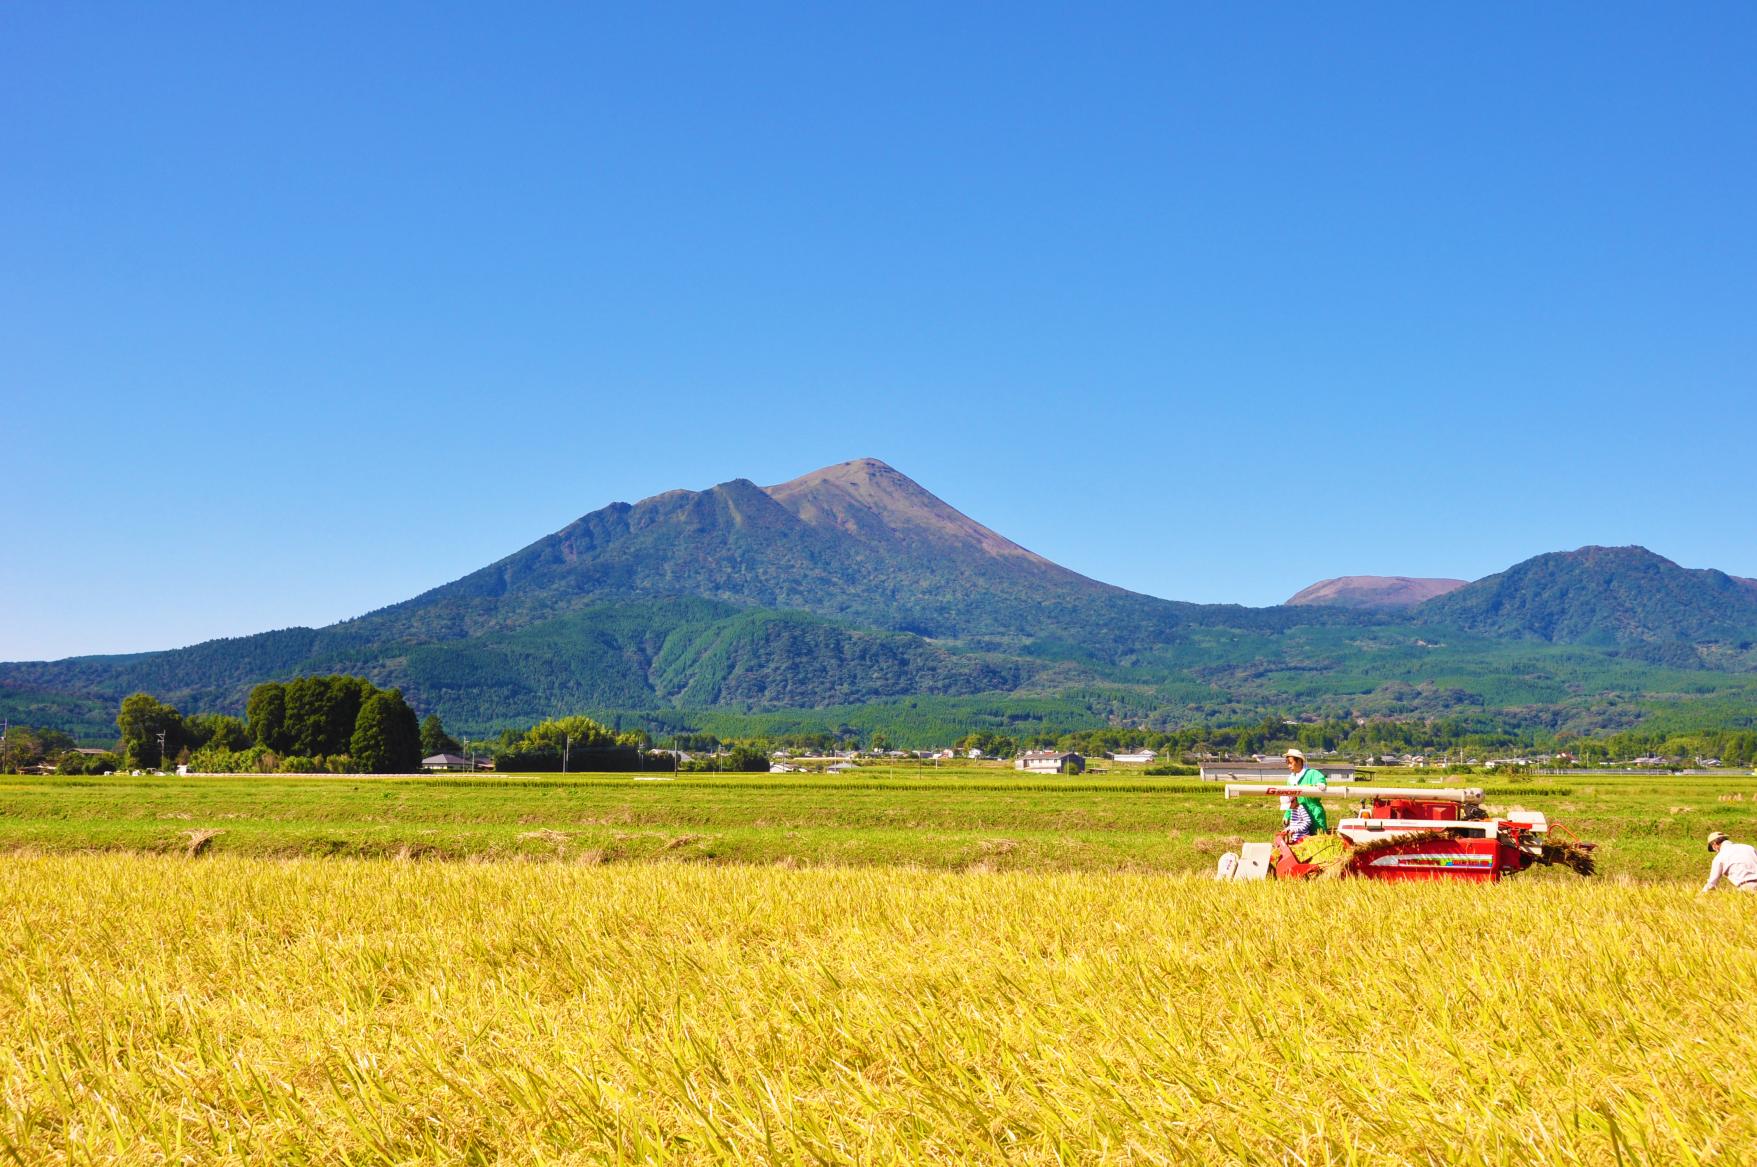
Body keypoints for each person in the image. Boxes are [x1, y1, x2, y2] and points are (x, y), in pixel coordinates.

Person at [1281, 747, 1328, 842]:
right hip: (1299, 813)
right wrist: (1287, 814)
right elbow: (1290, 800)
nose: (1288, 766)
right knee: (1302, 840)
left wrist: (1320, 784)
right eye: (1287, 763)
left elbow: (1321, 780)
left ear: (1299, 761)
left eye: (1290, 762)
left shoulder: (1312, 773)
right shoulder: (1291, 780)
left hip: (1314, 811)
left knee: (1319, 838)